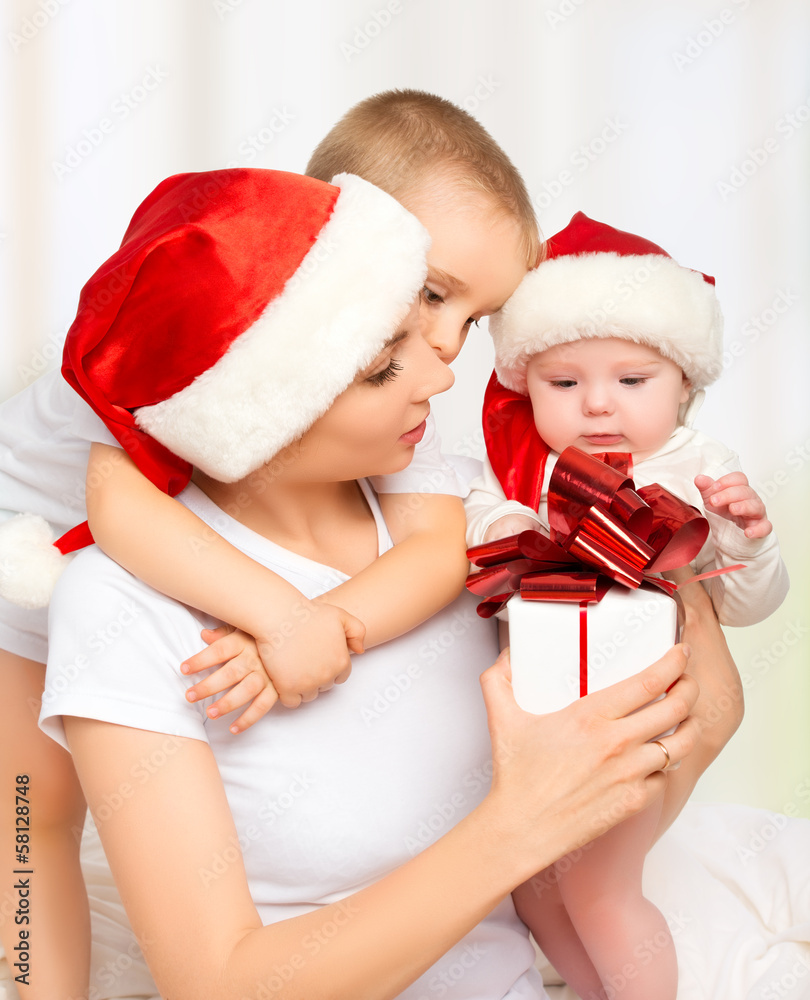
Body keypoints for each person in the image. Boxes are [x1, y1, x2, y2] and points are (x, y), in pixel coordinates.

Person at [37, 166, 700, 1000]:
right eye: (383, 368)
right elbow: (216, 984)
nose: (442, 377)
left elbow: (699, 698)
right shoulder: (116, 601)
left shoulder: (471, 513)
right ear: (263, 404)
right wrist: (521, 824)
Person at [465, 211, 787, 999]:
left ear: (686, 385)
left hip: (654, 718)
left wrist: (746, 541)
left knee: (599, 889)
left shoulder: (697, 469)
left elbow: (748, 606)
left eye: (632, 381)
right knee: (537, 893)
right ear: (523, 384)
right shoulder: (522, 475)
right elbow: (481, 535)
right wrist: (510, 526)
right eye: (563, 383)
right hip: (549, 728)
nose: (597, 406)